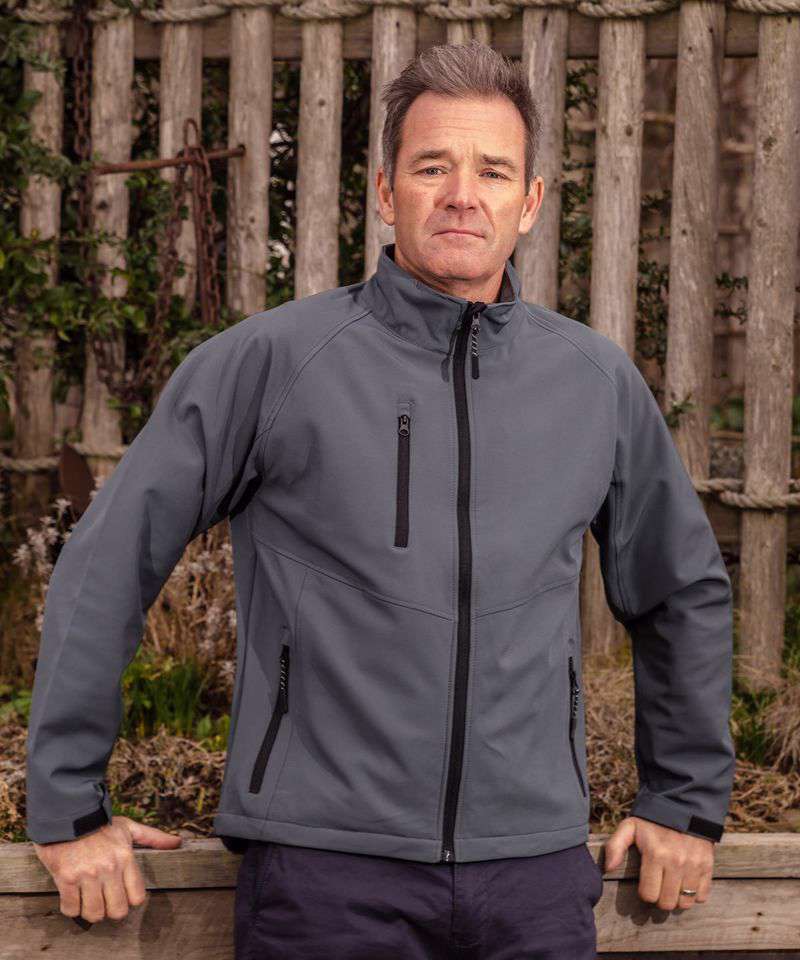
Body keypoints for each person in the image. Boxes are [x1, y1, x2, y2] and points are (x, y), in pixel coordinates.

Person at [26, 39, 735, 958]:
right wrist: (68, 805)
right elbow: (109, 560)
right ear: (385, 190)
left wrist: (682, 800)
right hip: (324, 878)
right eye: (432, 166)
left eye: (492, 171)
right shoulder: (272, 364)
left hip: (532, 879)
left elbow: (680, 590)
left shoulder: (594, 383)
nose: (462, 194)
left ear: (529, 202)